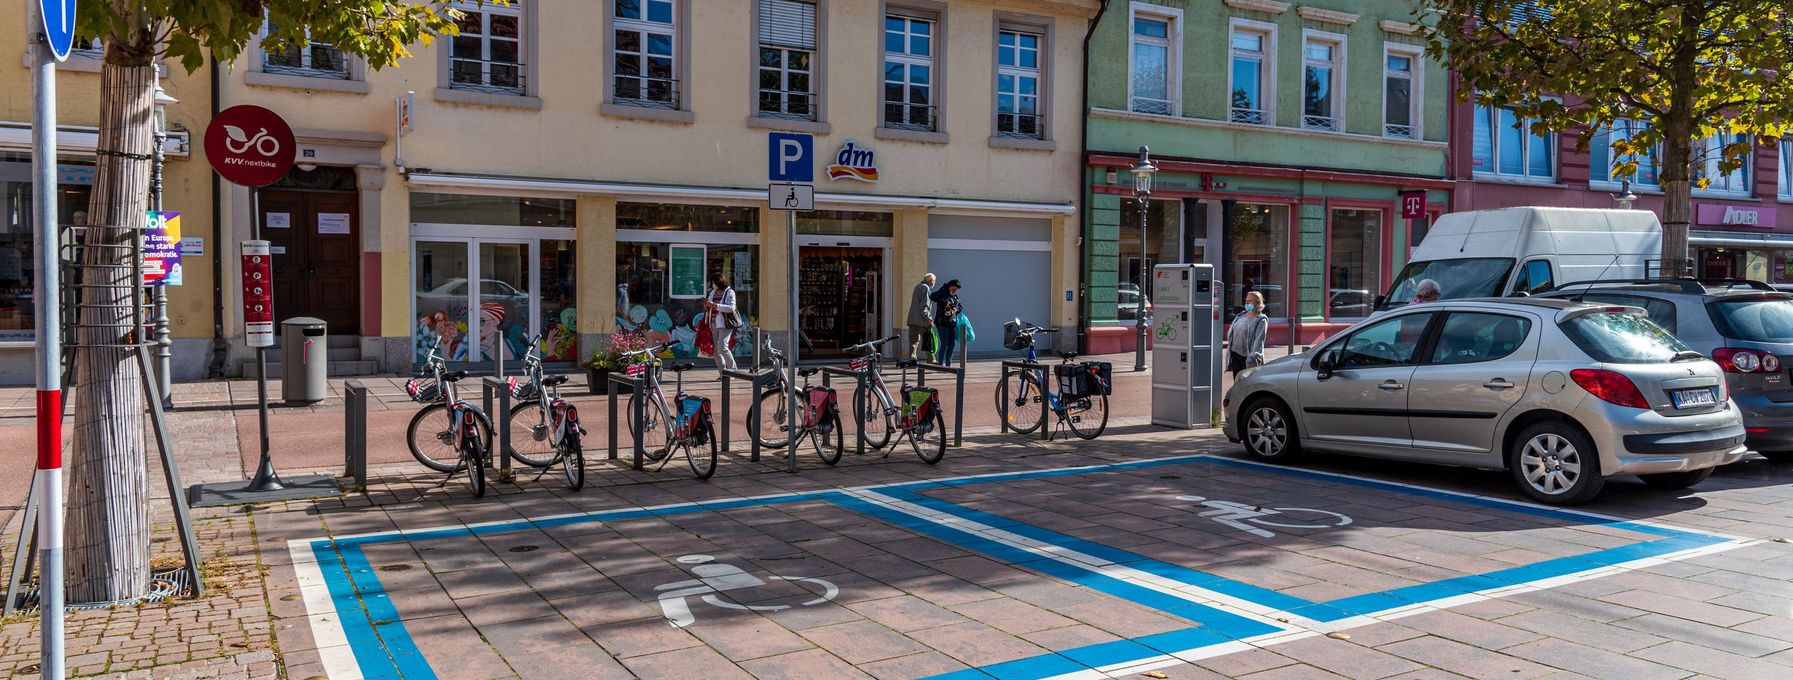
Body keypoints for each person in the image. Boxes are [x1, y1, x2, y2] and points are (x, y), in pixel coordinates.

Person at [1227, 290, 1269, 378]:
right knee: (1237, 380)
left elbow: (1259, 340)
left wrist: (1252, 357)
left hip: (1248, 357)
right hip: (1235, 354)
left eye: (1250, 301)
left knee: (1248, 382)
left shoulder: (1261, 320)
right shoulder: (1241, 316)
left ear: (1258, 303)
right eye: (1246, 301)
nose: (1246, 303)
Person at [704, 273, 739, 371]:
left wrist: (715, 306)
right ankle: (723, 373)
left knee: (723, 347)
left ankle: (734, 370)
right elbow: (710, 306)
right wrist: (707, 306)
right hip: (713, 323)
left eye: (714, 283)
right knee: (716, 350)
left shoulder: (729, 292)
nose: (713, 285)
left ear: (719, 282)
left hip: (725, 323)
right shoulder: (712, 292)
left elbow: (731, 308)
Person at [929, 279, 963, 366]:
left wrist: (956, 309)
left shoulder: (955, 296)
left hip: (951, 323)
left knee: (951, 344)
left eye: (956, 290)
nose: (955, 291)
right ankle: (940, 364)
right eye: (954, 289)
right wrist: (945, 303)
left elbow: (960, 307)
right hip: (941, 322)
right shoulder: (943, 292)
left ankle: (948, 364)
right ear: (950, 286)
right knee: (945, 343)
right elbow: (932, 296)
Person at [907, 273, 936, 362]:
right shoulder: (926, 288)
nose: (934, 284)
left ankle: (912, 359)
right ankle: (931, 359)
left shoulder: (917, 286)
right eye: (934, 281)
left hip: (912, 319)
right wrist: (929, 318)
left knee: (913, 341)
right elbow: (924, 306)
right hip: (922, 320)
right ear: (930, 281)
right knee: (927, 339)